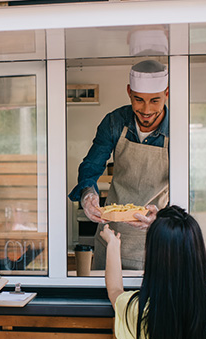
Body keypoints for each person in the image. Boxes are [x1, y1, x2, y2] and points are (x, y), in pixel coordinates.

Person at [69, 59, 169, 270]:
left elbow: (189, 187)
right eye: (138, 100)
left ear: (166, 93)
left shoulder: (177, 128)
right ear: (129, 92)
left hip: (156, 234)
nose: (146, 109)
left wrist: (164, 218)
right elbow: (90, 166)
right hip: (112, 234)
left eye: (155, 101)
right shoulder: (115, 122)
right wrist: (88, 194)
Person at [100, 205, 206, 339]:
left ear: (154, 257)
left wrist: (113, 243)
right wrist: (163, 227)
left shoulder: (139, 310)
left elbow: (114, 290)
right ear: (197, 252)